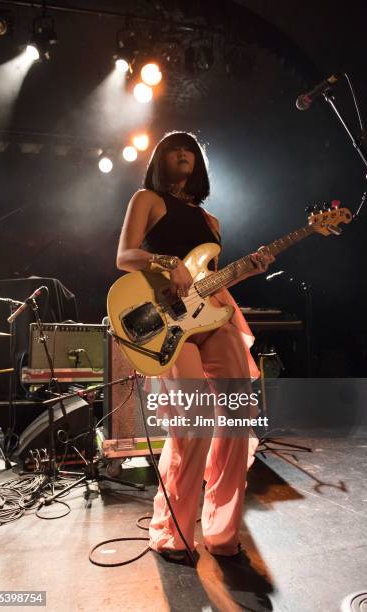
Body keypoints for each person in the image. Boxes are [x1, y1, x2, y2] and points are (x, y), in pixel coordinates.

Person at [116, 131, 273, 562]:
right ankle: (173, 533)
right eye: (173, 147)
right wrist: (165, 262)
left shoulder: (211, 222)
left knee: (237, 421)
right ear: (161, 158)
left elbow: (212, 280)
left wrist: (250, 269)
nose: (183, 152)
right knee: (194, 422)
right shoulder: (146, 199)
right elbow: (124, 255)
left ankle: (222, 534)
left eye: (190, 148)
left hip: (215, 313)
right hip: (167, 318)